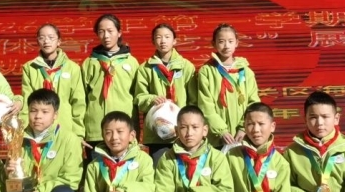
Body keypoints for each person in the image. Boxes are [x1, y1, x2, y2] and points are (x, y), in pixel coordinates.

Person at [134, 23, 197, 157]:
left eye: (167, 37)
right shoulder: (145, 68)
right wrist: (152, 99)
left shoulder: (186, 66)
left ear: (174, 41)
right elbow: (139, 97)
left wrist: (190, 123)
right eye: (158, 37)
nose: (163, 41)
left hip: (183, 131)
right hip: (157, 132)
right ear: (153, 41)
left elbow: (193, 100)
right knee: (159, 165)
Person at [197, 23, 260, 148]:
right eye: (221, 41)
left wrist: (243, 127)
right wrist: (221, 131)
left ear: (236, 43)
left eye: (230, 41)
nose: (226, 46)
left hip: (243, 136)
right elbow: (205, 105)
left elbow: (253, 102)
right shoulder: (206, 71)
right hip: (216, 138)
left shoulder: (246, 72)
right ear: (213, 44)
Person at [81, 14, 139, 146]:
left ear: (119, 33)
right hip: (96, 130)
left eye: (110, 31)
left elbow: (137, 97)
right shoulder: (89, 63)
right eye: (101, 32)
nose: (106, 36)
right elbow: (81, 99)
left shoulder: (132, 62)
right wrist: (80, 131)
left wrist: (135, 129)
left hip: (123, 130)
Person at [21, 23, 85, 137]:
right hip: (38, 127)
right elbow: (27, 102)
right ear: (37, 41)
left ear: (59, 41)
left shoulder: (72, 68)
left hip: (65, 126)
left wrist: (78, 134)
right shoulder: (29, 68)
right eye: (42, 38)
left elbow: (78, 103)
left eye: (51, 37)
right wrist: (24, 131)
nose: (46, 41)